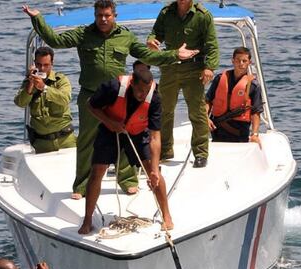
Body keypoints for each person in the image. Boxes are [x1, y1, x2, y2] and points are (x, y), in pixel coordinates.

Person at [22, 1, 199, 200]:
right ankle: (82, 185)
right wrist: (37, 18)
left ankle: (127, 180)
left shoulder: (126, 36)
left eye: (107, 15)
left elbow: (148, 56)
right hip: (91, 95)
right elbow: (54, 40)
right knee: (87, 141)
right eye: (99, 15)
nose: (103, 19)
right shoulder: (83, 34)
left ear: (115, 15)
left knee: (124, 136)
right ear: (95, 15)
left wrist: (175, 54)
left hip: (119, 96)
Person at [78, 68, 174, 234]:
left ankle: (167, 216)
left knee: (154, 169)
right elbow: (91, 105)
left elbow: (155, 137)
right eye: (138, 90)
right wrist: (109, 122)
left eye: (145, 91)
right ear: (132, 84)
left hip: (137, 132)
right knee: (97, 170)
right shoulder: (114, 87)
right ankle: (87, 219)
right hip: (110, 129)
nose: (142, 94)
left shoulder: (155, 98)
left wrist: (154, 171)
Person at [147, 0, 219, 168]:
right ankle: (165, 149)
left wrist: (209, 67)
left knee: (197, 111)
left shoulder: (203, 16)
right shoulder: (166, 13)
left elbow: (212, 45)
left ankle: (200, 152)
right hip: (170, 67)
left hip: (194, 69)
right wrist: (152, 41)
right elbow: (156, 34)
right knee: (164, 110)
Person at [14, 46, 75, 154]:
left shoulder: (60, 80)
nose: (42, 68)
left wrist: (44, 88)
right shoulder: (29, 81)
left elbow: (64, 99)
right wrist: (30, 85)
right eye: (39, 64)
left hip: (65, 140)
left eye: (46, 65)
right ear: (34, 64)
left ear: (52, 63)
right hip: (42, 143)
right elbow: (20, 103)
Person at [205, 47, 263, 145]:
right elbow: (208, 100)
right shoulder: (219, 79)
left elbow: (256, 112)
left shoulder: (253, 85)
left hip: (239, 132)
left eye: (244, 61)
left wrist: (255, 134)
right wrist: (205, 118)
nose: (241, 63)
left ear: (249, 62)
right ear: (232, 61)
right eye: (238, 60)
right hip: (217, 129)